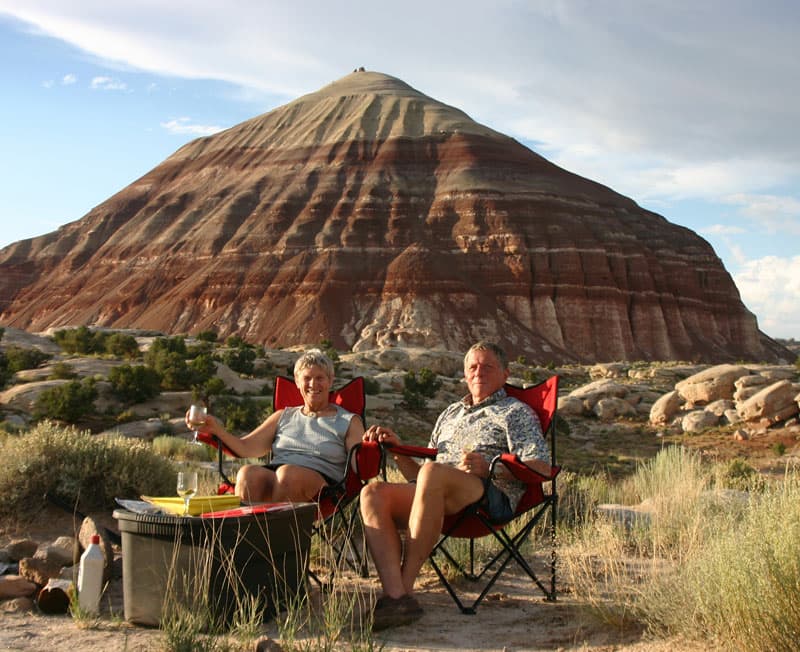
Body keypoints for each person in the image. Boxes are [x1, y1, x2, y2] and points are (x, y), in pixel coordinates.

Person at [360, 341, 551, 630]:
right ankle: (396, 595)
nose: (479, 372)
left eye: (488, 366)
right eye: (473, 367)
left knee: (434, 473)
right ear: (464, 374)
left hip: (488, 496)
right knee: (372, 493)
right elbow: (420, 476)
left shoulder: (515, 412)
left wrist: (491, 469)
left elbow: (541, 467)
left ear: (505, 373)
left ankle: (403, 592)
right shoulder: (450, 413)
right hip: (437, 491)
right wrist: (397, 449)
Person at [187, 348, 364, 503]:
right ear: (297, 381)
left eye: (320, 378)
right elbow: (245, 447)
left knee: (288, 475)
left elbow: (360, 465)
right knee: (248, 474)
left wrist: (371, 447)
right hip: (278, 474)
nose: (313, 384)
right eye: (307, 378)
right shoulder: (283, 416)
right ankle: (249, 536)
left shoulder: (349, 421)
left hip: (325, 485)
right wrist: (216, 429)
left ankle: (276, 537)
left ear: (331, 380)